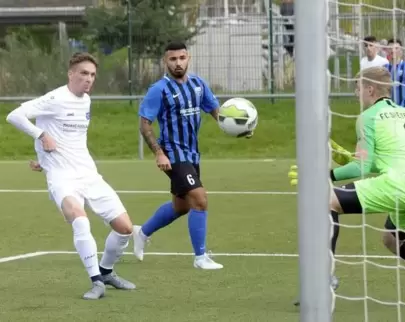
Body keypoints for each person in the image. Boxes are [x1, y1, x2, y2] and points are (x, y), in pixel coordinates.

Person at [293, 66, 405, 307]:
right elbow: (384, 159)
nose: (355, 92)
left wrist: (322, 175)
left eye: (358, 87)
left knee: (326, 200)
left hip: (398, 185)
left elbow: (361, 168)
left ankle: (322, 279)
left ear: (370, 89)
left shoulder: (367, 116)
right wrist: (351, 159)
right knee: (392, 240)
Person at [5, 52, 136, 300]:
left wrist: (42, 160)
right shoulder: (55, 98)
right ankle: (95, 282)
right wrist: (41, 136)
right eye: (84, 73)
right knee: (80, 219)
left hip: (88, 173)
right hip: (62, 178)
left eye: (93, 75)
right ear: (71, 74)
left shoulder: (86, 101)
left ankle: (106, 272)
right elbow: (14, 116)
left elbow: (70, 142)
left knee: (125, 228)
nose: (88, 79)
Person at [133, 41, 251, 269]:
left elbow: (217, 112)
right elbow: (145, 124)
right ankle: (200, 257)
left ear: (189, 58)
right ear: (165, 62)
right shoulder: (158, 89)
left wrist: (239, 128)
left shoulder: (198, 84)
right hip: (173, 153)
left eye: (182, 58)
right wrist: (159, 153)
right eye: (172, 59)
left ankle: (142, 232)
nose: (178, 63)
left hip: (192, 154)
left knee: (181, 206)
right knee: (199, 199)